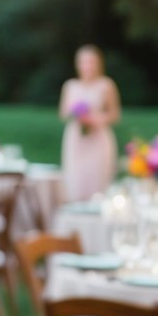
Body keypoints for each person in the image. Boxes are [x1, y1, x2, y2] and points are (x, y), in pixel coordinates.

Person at [59, 44, 120, 200]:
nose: (87, 66)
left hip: (98, 138)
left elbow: (115, 114)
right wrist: (77, 115)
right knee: (76, 180)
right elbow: (63, 113)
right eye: (84, 62)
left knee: (97, 180)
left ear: (98, 63)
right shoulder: (70, 86)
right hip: (77, 139)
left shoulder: (106, 85)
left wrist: (97, 119)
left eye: (91, 62)